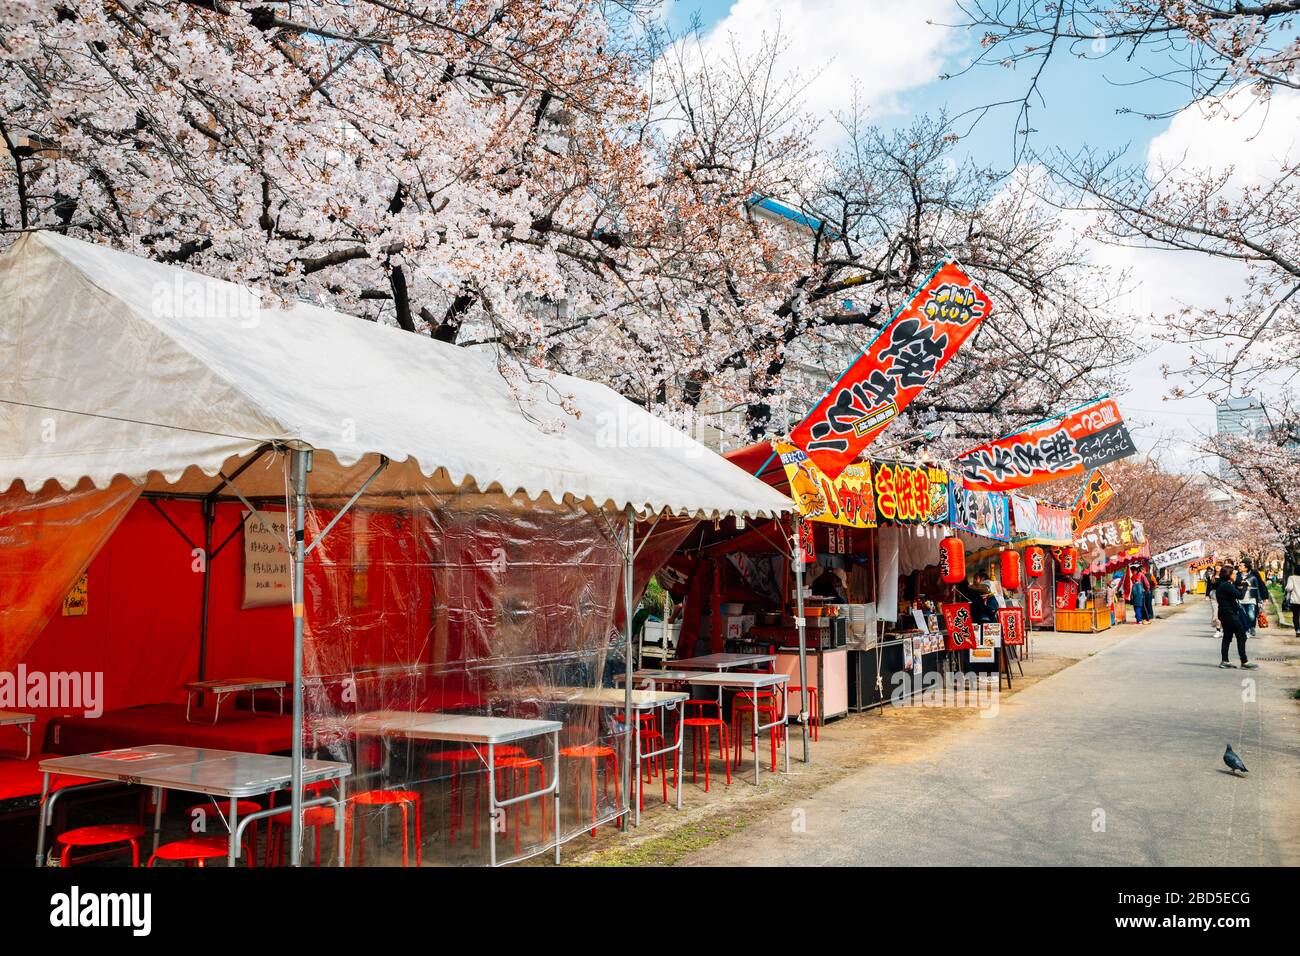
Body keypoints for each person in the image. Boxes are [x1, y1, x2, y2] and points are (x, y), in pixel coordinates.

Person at [1214, 564, 1255, 669]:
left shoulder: (1222, 584)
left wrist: (1240, 583)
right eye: (1234, 573)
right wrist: (1245, 586)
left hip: (1224, 613)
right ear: (1229, 574)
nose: (1236, 575)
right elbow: (1240, 595)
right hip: (1229, 614)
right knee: (1242, 635)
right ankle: (1244, 661)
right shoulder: (1226, 585)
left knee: (1227, 636)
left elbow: (1235, 587)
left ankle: (1225, 661)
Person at [1237, 559, 1267, 636]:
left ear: (1246, 568)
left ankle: (1252, 627)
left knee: (1251, 615)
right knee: (1243, 615)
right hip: (1241, 599)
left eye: (1241, 565)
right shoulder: (1237, 576)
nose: (1239, 567)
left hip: (1251, 598)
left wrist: (1260, 600)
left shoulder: (1253, 576)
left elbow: (1258, 587)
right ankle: (1247, 629)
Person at [1284, 568, 1300, 637]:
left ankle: (1298, 630)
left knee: (1296, 616)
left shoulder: (1292, 578)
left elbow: (1289, 588)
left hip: (1295, 600)